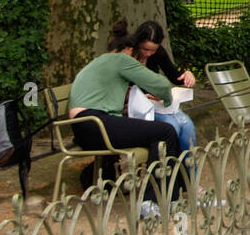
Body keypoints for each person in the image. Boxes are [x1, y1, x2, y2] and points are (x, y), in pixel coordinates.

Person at [67, 38, 183, 205]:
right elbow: (162, 85)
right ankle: (155, 200)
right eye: (138, 55)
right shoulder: (121, 59)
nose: (138, 61)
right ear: (129, 50)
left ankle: (92, 178)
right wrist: (166, 100)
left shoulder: (99, 62)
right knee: (166, 131)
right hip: (96, 123)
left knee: (149, 131)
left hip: (84, 129)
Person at [120, 20, 198, 160]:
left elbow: (175, 76)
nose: (149, 54)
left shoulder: (158, 53)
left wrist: (187, 74)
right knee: (172, 125)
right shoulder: (127, 54)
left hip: (157, 104)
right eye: (145, 49)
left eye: (153, 50)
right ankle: (169, 173)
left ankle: (189, 175)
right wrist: (145, 96)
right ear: (138, 43)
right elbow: (122, 86)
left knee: (187, 125)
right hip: (135, 107)